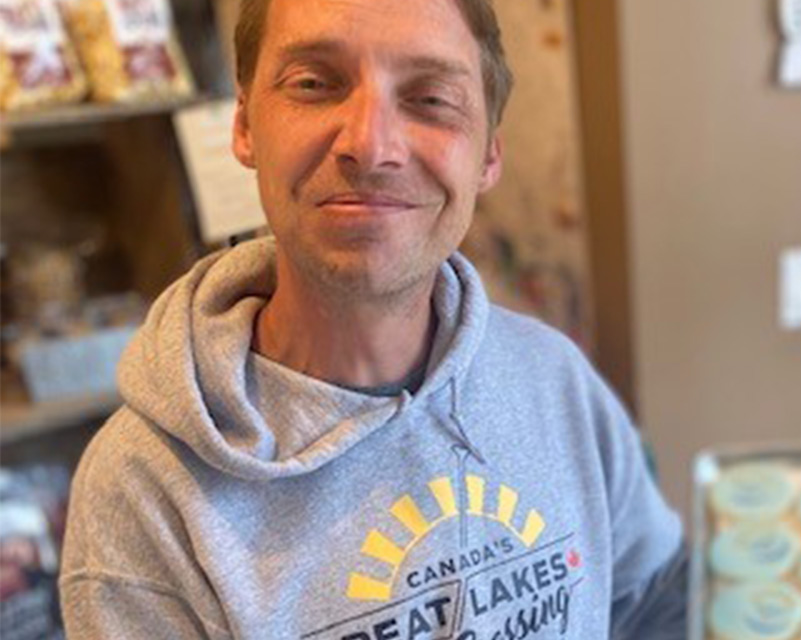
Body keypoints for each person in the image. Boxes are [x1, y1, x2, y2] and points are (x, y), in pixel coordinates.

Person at [58, 0, 688, 637]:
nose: (371, 145)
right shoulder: (142, 488)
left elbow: (653, 596)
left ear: (488, 156)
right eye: (314, 83)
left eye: (431, 98)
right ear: (245, 126)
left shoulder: (554, 379)